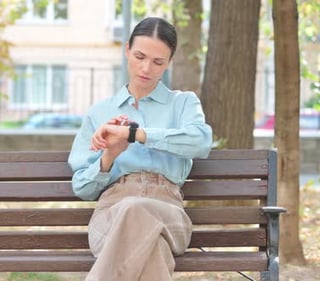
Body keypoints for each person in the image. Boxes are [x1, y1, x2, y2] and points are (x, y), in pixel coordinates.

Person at [67, 17, 213, 281]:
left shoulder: (183, 104)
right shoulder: (100, 112)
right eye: (139, 56)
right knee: (152, 248)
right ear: (127, 50)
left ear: (169, 62)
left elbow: (200, 141)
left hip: (169, 214)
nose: (146, 68)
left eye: (158, 62)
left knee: (136, 209)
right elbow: (82, 188)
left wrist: (136, 134)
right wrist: (110, 156)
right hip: (110, 217)